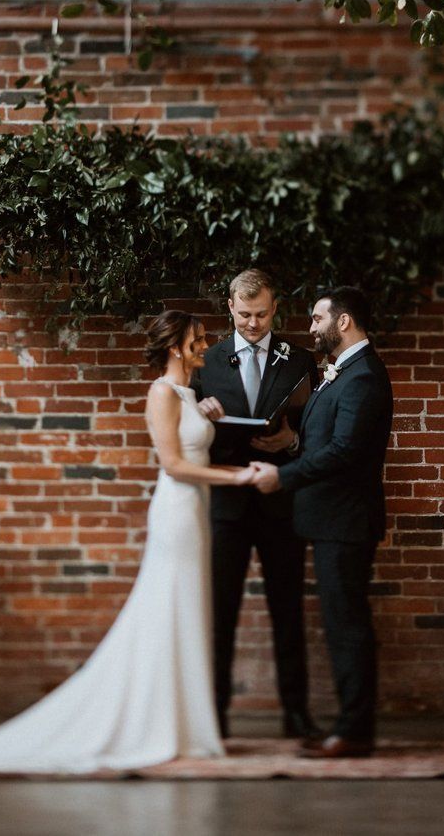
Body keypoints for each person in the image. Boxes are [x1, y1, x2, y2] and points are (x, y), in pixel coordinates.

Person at [0, 310, 255, 774]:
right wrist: (237, 480)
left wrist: (236, 463)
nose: (206, 344)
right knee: (170, 606)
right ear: (176, 347)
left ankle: (185, 727)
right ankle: (159, 725)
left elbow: (198, 452)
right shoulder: (161, 393)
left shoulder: (192, 394)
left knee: (189, 611)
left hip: (197, 511)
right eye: (198, 338)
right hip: (177, 511)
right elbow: (172, 464)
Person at [251, 287, 393, 758]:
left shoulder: (363, 377)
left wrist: (283, 477)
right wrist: (290, 445)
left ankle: (354, 732)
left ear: (344, 321)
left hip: (346, 520)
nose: (311, 328)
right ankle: (351, 726)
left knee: (347, 624)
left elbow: (346, 452)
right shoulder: (344, 373)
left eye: (317, 319)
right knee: (340, 622)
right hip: (331, 519)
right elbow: (324, 441)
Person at [194, 269, 319, 740]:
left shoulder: (300, 360)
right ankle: (216, 717)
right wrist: (202, 417)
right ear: (230, 307)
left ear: (275, 307)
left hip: (278, 503)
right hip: (226, 504)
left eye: (262, 314)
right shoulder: (204, 361)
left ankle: (296, 714)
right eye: (245, 314)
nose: (253, 323)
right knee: (220, 614)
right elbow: (185, 440)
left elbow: (316, 433)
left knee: (288, 611)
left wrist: (292, 440)